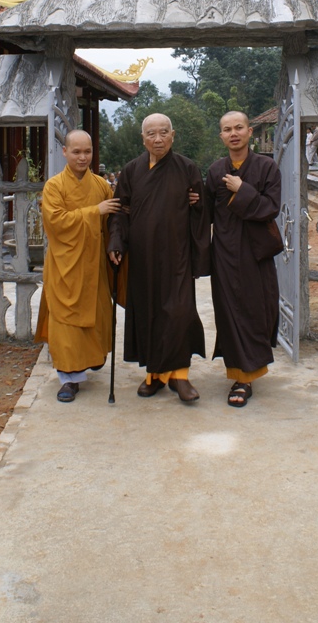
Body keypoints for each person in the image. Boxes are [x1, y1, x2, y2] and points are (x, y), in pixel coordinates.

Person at [108, 113, 210, 403]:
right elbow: (119, 210)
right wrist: (116, 241)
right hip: (143, 257)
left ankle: (180, 376)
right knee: (149, 313)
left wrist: (198, 205)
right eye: (151, 133)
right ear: (143, 139)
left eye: (164, 132)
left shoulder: (187, 168)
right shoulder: (131, 171)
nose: (158, 139)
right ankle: (154, 375)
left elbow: (202, 212)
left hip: (178, 255)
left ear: (173, 135)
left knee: (178, 313)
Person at [34, 130, 121, 403]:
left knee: (95, 314)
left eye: (87, 152)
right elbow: (56, 222)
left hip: (94, 263)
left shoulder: (101, 185)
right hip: (65, 265)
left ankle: (92, 358)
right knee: (66, 321)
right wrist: (95, 211)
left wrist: (114, 244)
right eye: (76, 152)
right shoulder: (54, 186)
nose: (82, 157)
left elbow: (113, 219)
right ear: (65, 152)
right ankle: (69, 378)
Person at [205, 111, 281, 407]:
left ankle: (248, 373)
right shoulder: (216, 170)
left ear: (250, 132)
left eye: (239, 128)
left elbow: (271, 208)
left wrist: (242, 190)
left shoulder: (267, 167)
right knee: (228, 312)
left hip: (255, 253)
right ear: (221, 136)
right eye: (227, 129)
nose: (233, 133)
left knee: (255, 309)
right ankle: (240, 375)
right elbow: (206, 213)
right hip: (224, 252)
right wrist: (194, 202)